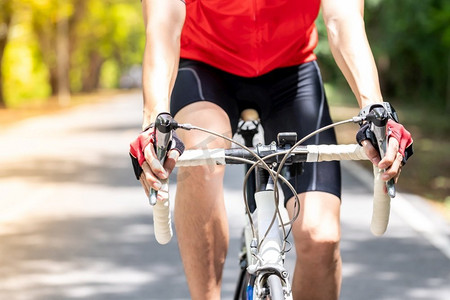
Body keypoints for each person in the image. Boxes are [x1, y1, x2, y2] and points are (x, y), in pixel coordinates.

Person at [130, 0, 413, 299]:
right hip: (205, 66)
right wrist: (154, 121)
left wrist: (374, 108)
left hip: (292, 70)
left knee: (321, 239)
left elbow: (343, 19)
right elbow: (163, 22)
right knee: (204, 155)